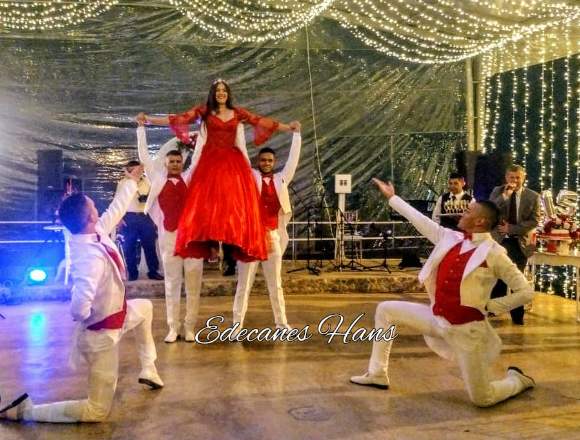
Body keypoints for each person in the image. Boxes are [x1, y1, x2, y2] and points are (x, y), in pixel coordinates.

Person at [350, 178, 536, 408]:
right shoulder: (450, 237)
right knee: (385, 309)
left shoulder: (495, 253)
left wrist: (491, 307)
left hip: (466, 334)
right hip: (437, 320)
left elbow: (526, 292)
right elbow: (420, 220)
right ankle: (377, 372)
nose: (461, 213)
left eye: (467, 211)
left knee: (482, 398)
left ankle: (517, 380)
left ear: (479, 221)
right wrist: (392, 197)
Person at [0, 166, 163, 423]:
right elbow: (78, 308)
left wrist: (131, 182)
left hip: (117, 318)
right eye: (93, 207)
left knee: (145, 308)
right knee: (97, 412)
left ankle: (149, 369)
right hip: (102, 337)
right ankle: (25, 412)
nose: (98, 208)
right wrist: (88, 314)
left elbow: (116, 208)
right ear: (88, 217)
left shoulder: (93, 232)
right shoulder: (88, 259)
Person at [136, 79, 299, 263]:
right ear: (213, 94)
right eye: (218, 90)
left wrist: (289, 128)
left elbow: (261, 121)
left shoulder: (238, 112)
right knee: (209, 205)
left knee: (234, 205)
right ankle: (211, 245)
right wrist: (148, 120)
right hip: (210, 162)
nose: (221, 93)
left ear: (228, 94)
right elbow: (178, 119)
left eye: (224, 90)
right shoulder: (204, 111)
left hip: (232, 162)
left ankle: (234, 242)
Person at [137, 122, 204, 343]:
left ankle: (190, 327)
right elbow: (144, 157)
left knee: (193, 284)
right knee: (171, 284)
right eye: (171, 161)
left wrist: (203, 127)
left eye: (178, 161)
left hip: (192, 239)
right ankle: (173, 328)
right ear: (165, 163)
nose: (175, 164)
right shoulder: (158, 180)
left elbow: (200, 154)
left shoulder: (189, 178)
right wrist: (141, 129)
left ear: (182, 163)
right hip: (169, 238)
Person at [233, 125, 301, 330]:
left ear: (274, 163)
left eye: (270, 160)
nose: (266, 163)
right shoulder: (251, 176)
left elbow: (293, 161)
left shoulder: (281, 179)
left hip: (273, 237)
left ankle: (281, 323)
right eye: (263, 160)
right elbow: (242, 153)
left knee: (276, 284)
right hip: (251, 239)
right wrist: (238, 127)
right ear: (258, 162)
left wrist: (296, 135)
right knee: (244, 285)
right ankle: (236, 325)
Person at [489, 164, 541, 325]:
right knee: (497, 278)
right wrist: (505, 196)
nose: (515, 180)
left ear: (523, 178)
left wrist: (511, 228)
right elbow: (490, 211)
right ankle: (493, 309)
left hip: (520, 243)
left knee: (517, 280)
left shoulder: (533, 196)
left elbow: (534, 220)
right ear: (506, 178)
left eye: (518, 177)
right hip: (499, 241)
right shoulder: (498, 191)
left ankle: (517, 317)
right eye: (512, 177)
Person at [115, 160, 163, 281]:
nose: (139, 172)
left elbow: (154, 200)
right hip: (129, 217)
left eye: (140, 170)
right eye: (135, 170)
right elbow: (117, 201)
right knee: (129, 246)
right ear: (129, 171)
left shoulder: (147, 181)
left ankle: (153, 271)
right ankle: (132, 273)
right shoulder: (123, 183)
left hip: (145, 216)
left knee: (150, 245)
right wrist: (119, 218)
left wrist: (154, 218)